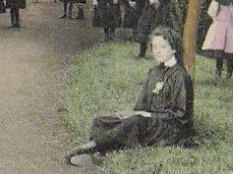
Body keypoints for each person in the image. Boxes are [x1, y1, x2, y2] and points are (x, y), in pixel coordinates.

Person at [65, 26, 193, 164]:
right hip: (147, 122)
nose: (157, 51)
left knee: (136, 121)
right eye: (154, 46)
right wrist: (129, 115)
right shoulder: (155, 72)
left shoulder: (180, 76)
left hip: (169, 127)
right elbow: (142, 104)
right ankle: (98, 153)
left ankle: (91, 148)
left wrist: (147, 115)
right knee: (101, 121)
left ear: (174, 48)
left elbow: (181, 116)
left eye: (163, 46)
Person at [202, 0, 233, 79]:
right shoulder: (217, 1)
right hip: (219, 27)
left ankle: (229, 73)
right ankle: (218, 72)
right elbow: (211, 13)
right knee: (219, 51)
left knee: (230, 51)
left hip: (230, 27)